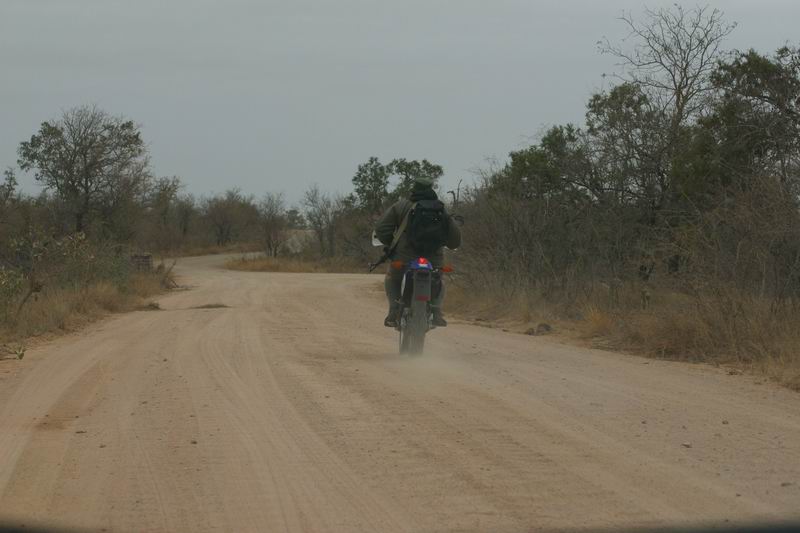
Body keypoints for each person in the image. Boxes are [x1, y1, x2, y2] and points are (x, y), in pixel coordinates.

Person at [374, 176, 461, 328]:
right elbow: (455, 239)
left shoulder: (401, 206)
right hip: (434, 258)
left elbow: (382, 229)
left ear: (414, 189)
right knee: (439, 279)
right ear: (431, 189)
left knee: (392, 277)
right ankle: (437, 312)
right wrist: (446, 244)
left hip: (404, 256)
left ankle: (394, 311)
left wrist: (391, 244)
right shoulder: (440, 209)